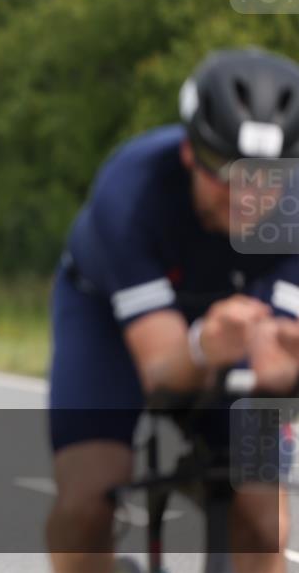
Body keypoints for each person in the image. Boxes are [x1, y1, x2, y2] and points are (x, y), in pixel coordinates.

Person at [46, 48, 299, 573]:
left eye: (263, 179)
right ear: (190, 152)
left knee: (264, 524)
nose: (243, 198)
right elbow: (162, 371)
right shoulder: (132, 188)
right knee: (86, 502)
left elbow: (282, 357)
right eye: (223, 173)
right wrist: (204, 342)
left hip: (239, 329)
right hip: (110, 320)